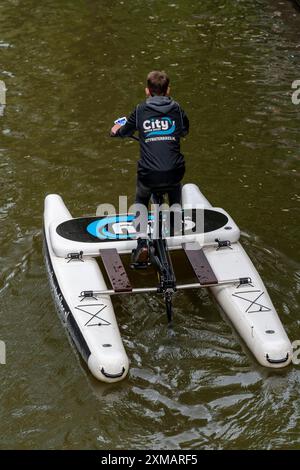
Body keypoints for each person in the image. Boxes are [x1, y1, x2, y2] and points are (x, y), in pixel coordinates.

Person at [110, 70, 189, 264]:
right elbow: (185, 131)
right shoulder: (177, 109)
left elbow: (124, 131)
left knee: (141, 197)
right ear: (168, 90)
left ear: (147, 91)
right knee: (175, 184)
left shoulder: (140, 110)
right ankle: (175, 227)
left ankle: (141, 242)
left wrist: (115, 131)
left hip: (150, 173)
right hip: (174, 171)